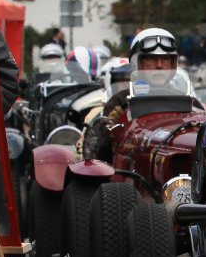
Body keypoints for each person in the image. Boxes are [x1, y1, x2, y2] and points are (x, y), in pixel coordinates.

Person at [81, 27, 191, 163]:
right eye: (151, 59)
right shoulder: (120, 101)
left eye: (165, 59)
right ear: (136, 63)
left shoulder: (189, 101)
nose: (159, 65)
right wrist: (111, 131)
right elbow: (102, 157)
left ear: (173, 64)